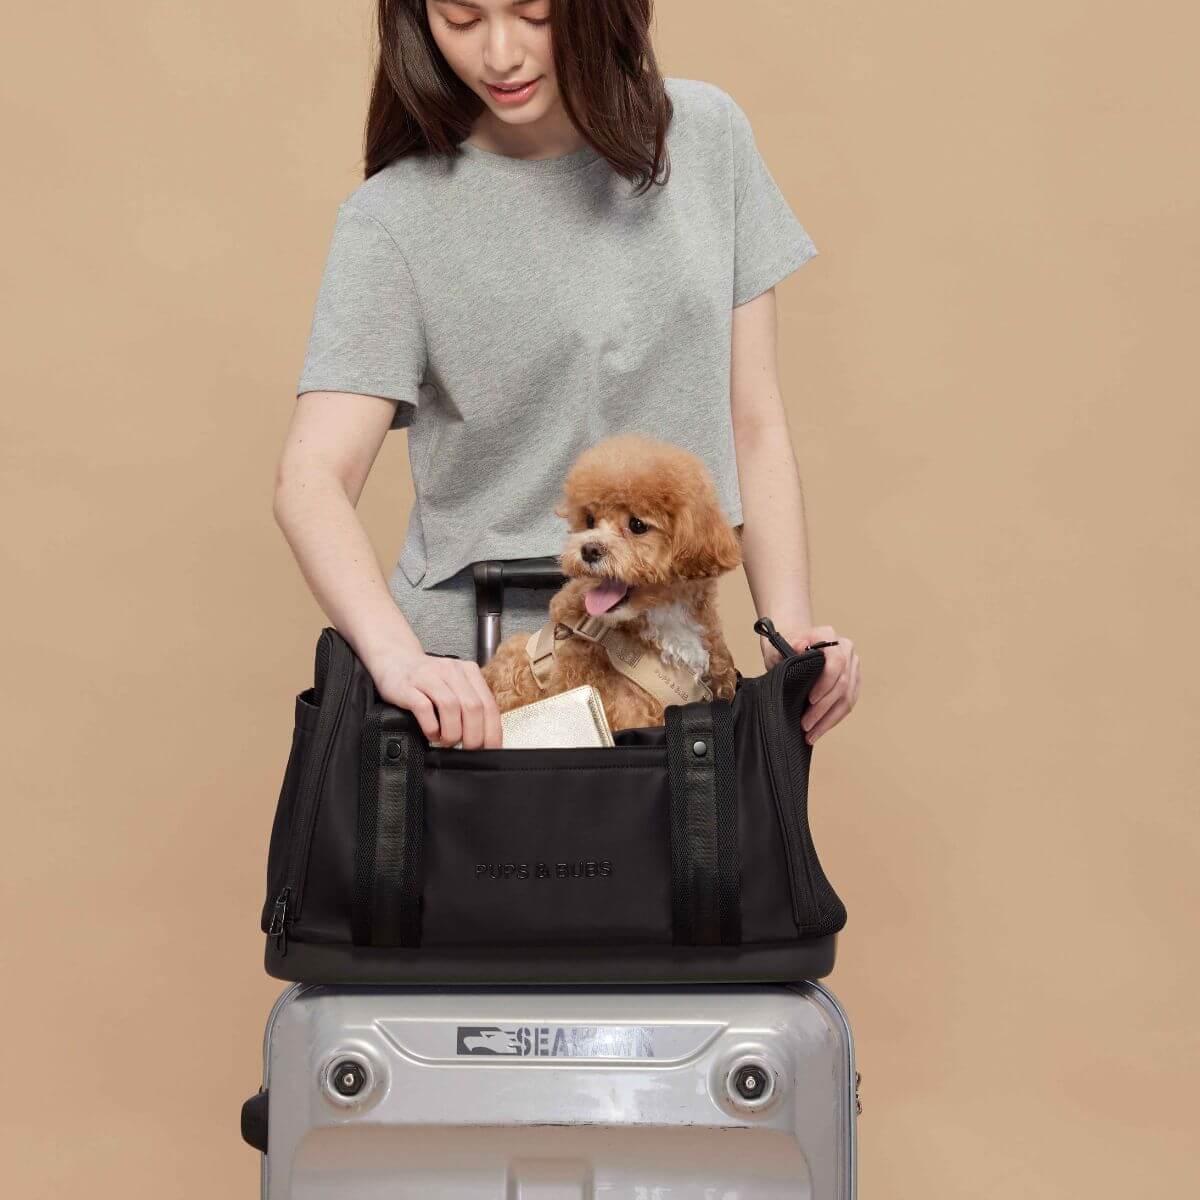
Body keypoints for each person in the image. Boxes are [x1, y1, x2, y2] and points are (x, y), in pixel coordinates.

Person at [273, 0, 861, 751]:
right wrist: (398, 658)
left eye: (533, 13)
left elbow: (753, 422)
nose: (500, 54)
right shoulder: (393, 217)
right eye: (461, 20)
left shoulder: (707, 139)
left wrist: (790, 635)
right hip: (475, 697)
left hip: (672, 687)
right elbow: (311, 476)